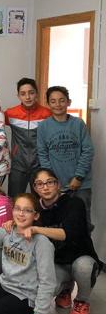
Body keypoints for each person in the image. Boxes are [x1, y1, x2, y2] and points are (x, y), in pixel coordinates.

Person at [30, 168, 102, 314]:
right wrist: (11, 223)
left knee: (84, 267)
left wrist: (36, 229)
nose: (45, 187)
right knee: (47, 288)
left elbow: (68, 233)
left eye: (50, 182)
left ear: (58, 184)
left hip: (80, 258)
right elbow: (21, 221)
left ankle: (82, 301)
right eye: (40, 184)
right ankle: (65, 289)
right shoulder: (35, 209)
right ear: (35, 188)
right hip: (57, 263)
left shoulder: (74, 203)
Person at [37, 86, 94, 232]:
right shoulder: (43, 126)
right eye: (53, 101)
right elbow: (42, 154)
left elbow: (88, 151)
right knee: (59, 223)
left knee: (84, 222)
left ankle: (85, 253)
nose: (58, 105)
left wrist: (78, 177)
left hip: (81, 184)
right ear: (48, 104)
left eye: (62, 100)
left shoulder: (78, 124)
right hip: (57, 186)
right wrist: (52, 181)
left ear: (69, 102)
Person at [4, 78, 51, 197]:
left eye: (31, 92)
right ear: (18, 96)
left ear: (37, 93)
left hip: (39, 164)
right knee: (14, 200)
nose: (28, 97)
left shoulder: (47, 114)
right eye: (23, 94)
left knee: (41, 200)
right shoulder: (10, 113)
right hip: (18, 165)